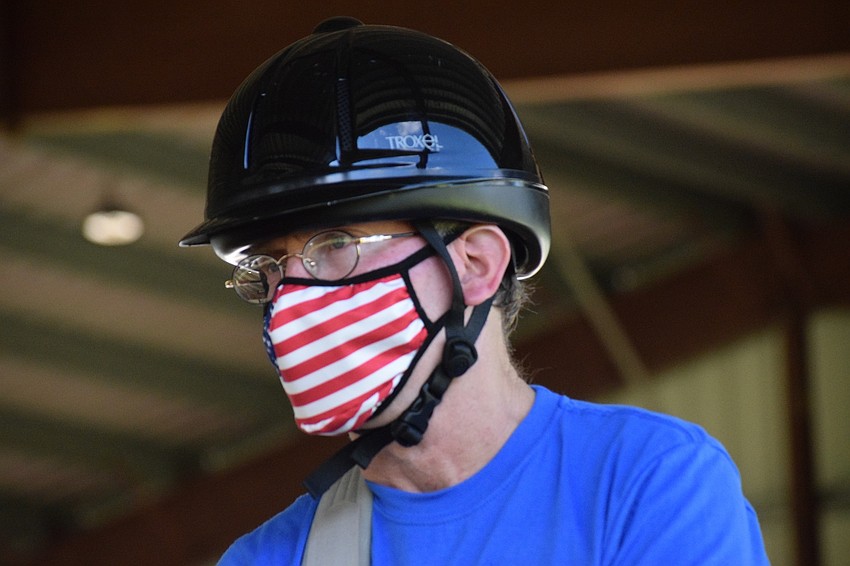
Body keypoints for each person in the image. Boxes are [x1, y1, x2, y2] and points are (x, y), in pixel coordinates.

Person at [180, 17, 769, 565]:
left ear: (476, 264)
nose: (290, 300)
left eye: (334, 244)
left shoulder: (647, 483)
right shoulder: (273, 557)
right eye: (272, 267)